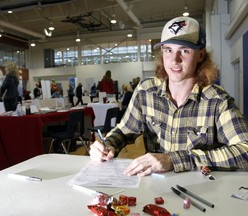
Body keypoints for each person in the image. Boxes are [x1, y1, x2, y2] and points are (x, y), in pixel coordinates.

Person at [89, 16, 248, 176]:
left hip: (201, 190)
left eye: (184, 51)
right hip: (156, 190)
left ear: (200, 55)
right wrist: (107, 145)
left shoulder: (217, 101)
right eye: (168, 50)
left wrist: (175, 160)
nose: (174, 60)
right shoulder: (146, 91)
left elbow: (245, 151)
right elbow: (124, 131)